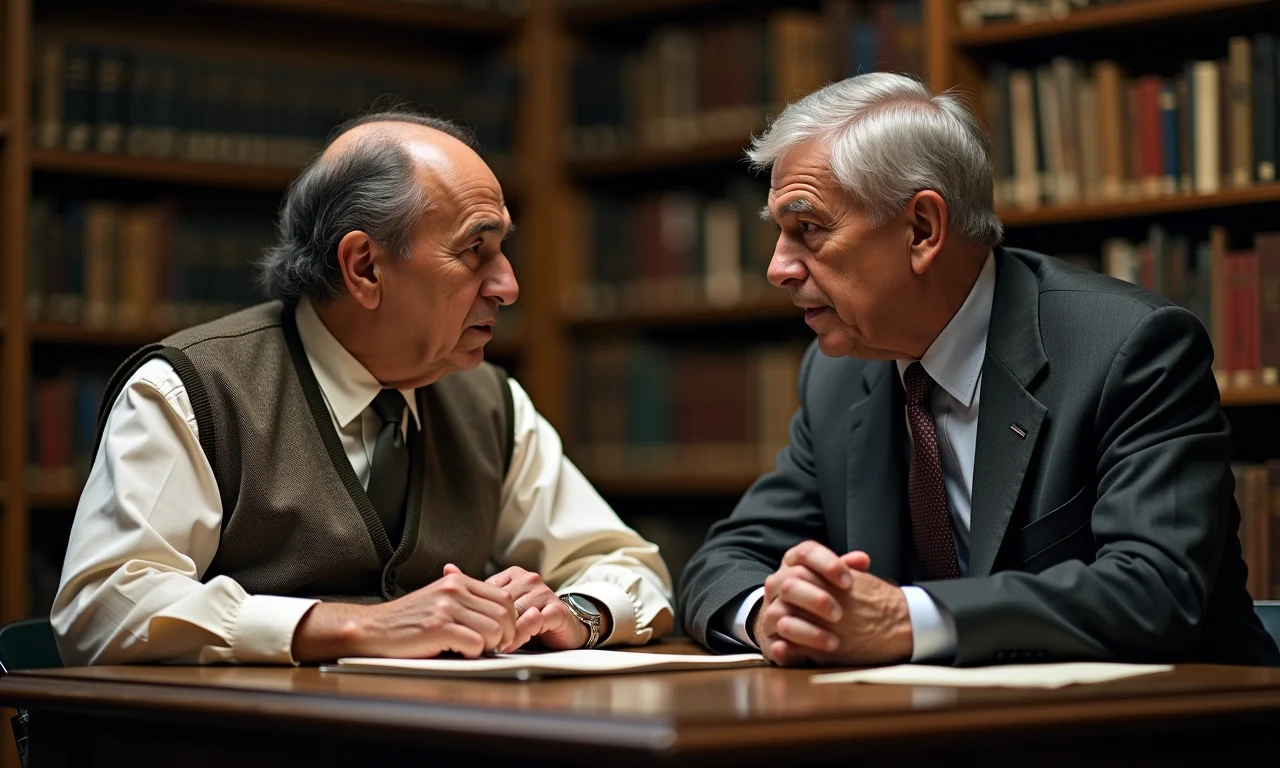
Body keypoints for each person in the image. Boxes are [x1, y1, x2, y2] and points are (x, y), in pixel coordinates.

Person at [680, 73, 1280, 667]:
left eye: (807, 229)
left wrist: (903, 620)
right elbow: (726, 557)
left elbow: (1155, 591)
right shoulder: (838, 374)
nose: (778, 269)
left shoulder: (1130, 347)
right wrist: (772, 613)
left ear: (922, 229)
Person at [53, 112, 674, 666]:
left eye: (503, 248)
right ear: (364, 267)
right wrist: (352, 625)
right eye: (475, 251)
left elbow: (630, 568)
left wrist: (578, 612)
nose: (508, 286)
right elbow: (102, 605)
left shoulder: (490, 403)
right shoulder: (192, 390)